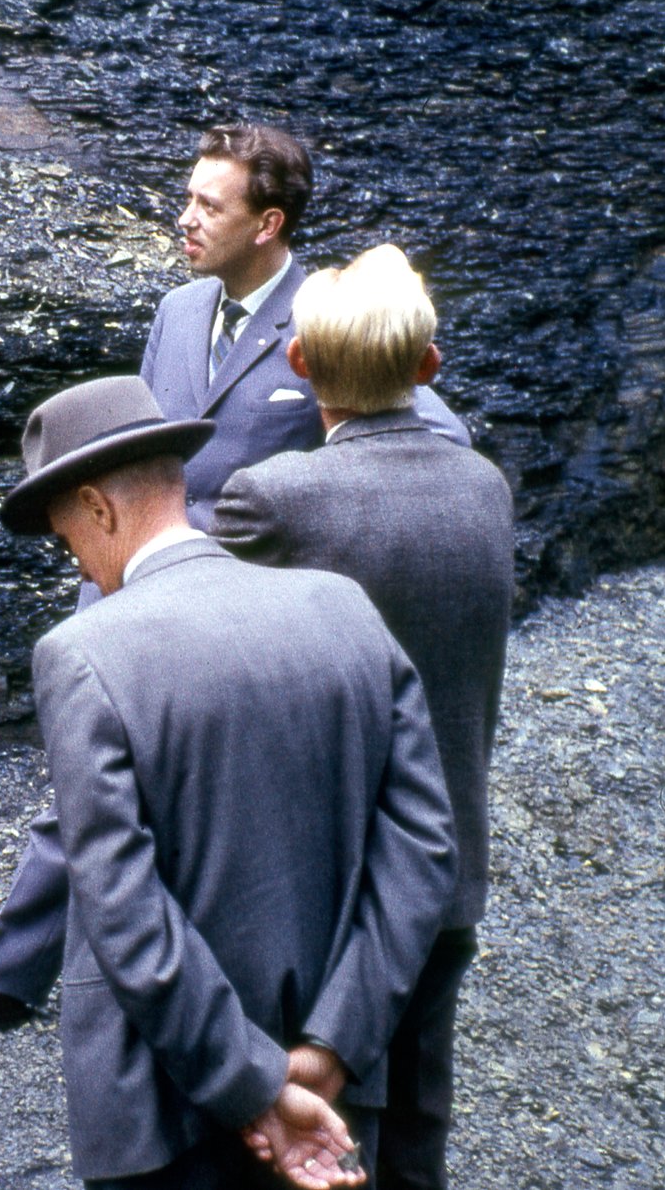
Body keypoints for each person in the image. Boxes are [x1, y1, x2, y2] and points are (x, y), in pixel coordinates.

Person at [0, 123, 467, 1032]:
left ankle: (124, 988)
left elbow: (424, 434)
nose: (182, 218)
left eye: (207, 204)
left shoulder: (331, 317)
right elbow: (141, 456)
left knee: (171, 806)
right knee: (91, 787)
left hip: (251, 622)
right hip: (137, 595)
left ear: (268, 222)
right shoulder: (179, 311)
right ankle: (8, 978)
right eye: (186, 197)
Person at [1, 375, 456, 1188]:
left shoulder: (82, 651)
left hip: (164, 1110)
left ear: (97, 508)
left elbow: (123, 906)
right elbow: (422, 851)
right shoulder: (342, 605)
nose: (75, 559)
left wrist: (252, 1083)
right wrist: (329, 1051)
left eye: (65, 534)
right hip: (340, 1096)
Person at [214, 245, 514, 1190]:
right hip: (449, 860)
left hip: (321, 878)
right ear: (428, 371)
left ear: (297, 366)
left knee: (314, 1132)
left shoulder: (275, 499)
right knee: (418, 1119)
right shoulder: (486, 487)